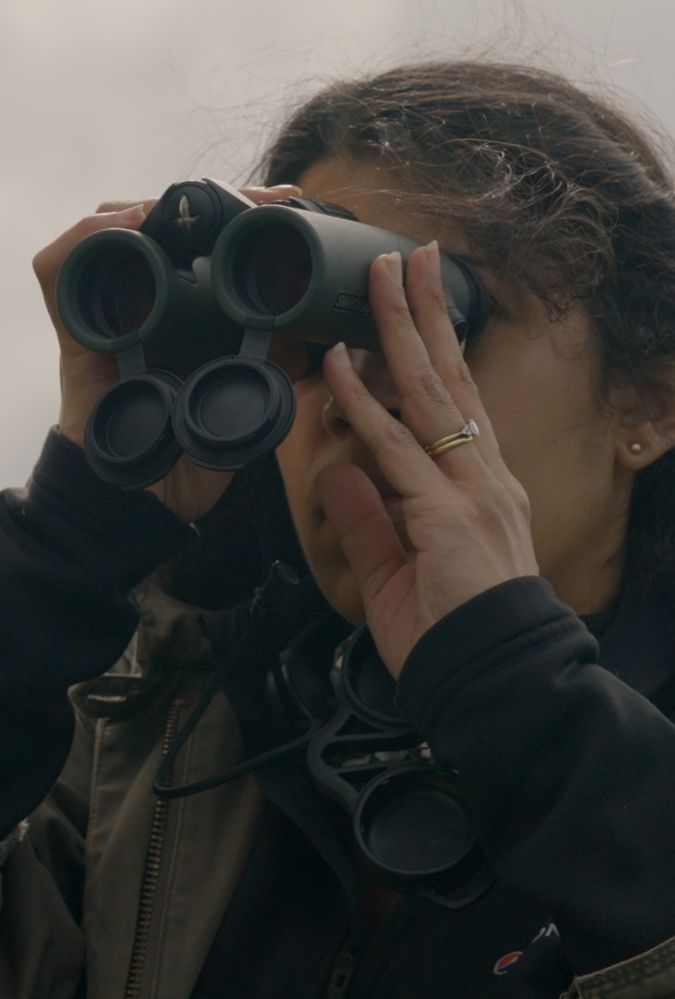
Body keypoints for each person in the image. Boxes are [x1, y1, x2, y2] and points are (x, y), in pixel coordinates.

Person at [1, 58, 675, 999]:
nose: (354, 399)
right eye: (311, 343)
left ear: (646, 395)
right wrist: (58, 562)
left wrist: (534, 712)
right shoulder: (149, 727)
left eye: (444, 321)